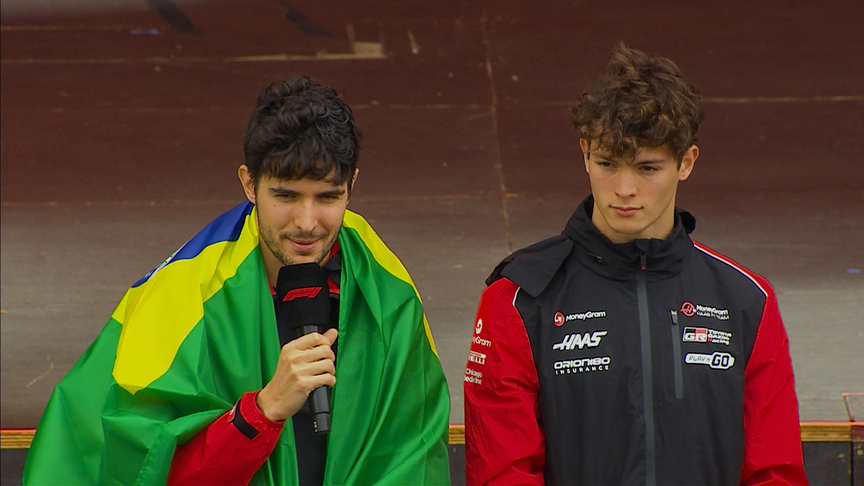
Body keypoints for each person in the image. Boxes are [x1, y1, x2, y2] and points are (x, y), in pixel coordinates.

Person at [24, 76, 451, 485]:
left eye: (327, 197)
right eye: (285, 195)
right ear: (249, 183)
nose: (307, 223)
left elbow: (410, 452)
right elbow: (141, 470)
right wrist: (262, 411)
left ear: (351, 184)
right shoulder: (182, 296)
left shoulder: (386, 289)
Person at [463, 44, 808, 485]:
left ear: (686, 162)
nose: (624, 189)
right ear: (585, 154)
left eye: (647, 168)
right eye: (607, 164)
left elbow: (774, 472)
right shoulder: (518, 300)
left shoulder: (746, 300)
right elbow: (502, 474)